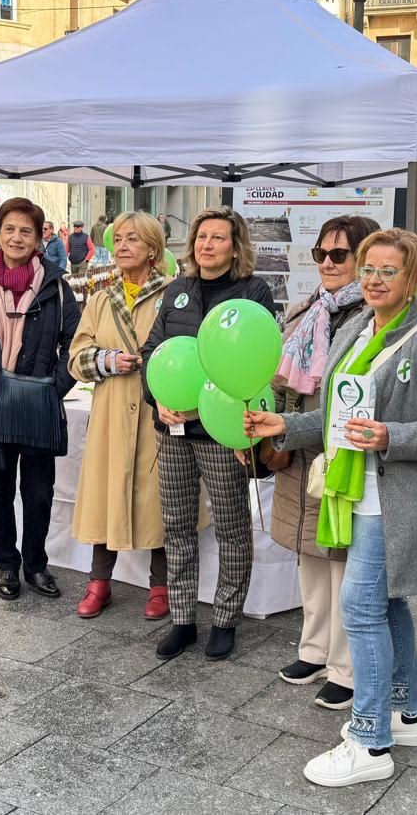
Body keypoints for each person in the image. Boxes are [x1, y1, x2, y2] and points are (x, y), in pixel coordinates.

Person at [244, 229, 417, 788]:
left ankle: (370, 739)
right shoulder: (354, 330)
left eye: (387, 271)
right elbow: (334, 418)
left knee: (360, 607)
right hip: (353, 492)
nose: (374, 279)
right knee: (386, 604)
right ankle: (407, 712)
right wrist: (284, 425)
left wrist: (392, 435)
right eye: (369, 268)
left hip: (396, 499)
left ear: (413, 277)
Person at [139, 206, 277, 661]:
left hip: (222, 432)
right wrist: (156, 397)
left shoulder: (253, 292)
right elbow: (152, 351)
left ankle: (225, 619)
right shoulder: (177, 290)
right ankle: (182, 619)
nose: (206, 244)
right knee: (177, 526)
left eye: (218, 237)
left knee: (232, 528)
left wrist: (244, 426)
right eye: (201, 236)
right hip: (174, 430)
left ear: (236, 248)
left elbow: (261, 361)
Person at [259, 215, 380, 711]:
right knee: (308, 552)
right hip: (297, 444)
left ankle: (346, 667)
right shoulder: (308, 309)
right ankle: (313, 649)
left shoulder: (371, 315)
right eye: (321, 254)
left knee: (341, 557)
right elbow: (278, 372)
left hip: (341, 449)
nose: (328, 263)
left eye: (339, 254)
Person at [0, 197, 81, 601]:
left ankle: (36, 564)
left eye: (26, 231)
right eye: (9, 229)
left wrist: (54, 387)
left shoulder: (56, 287)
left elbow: (75, 344)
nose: (17, 238)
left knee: (39, 494)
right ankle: (7, 564)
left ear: (39, 238)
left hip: (37, 405)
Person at [68, 211, 173, 619]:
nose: (123, 246)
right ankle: (99, 582)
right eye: (120, 239)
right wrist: (106, 360)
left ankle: (161, 586)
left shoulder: (172, 294)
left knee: (160, 499)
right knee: (105, 494)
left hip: (155, 411)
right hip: (111, 414)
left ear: (153, 249)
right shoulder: (101, 298)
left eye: (133, 239)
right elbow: (76, 357)